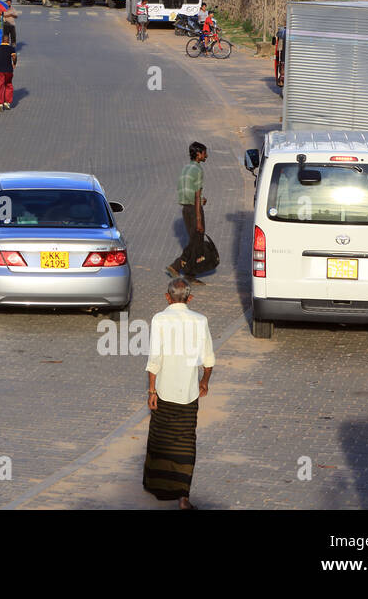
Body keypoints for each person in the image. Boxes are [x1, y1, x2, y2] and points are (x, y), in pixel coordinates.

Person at [143, 278, 216, 509]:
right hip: (189, 393)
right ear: (190, 298)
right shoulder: (200, 320)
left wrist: (152, 390)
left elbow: (155, 358)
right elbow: (208, 359)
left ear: (167, 297)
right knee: (186, 442)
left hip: (164, 391)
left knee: (161, 439)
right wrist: (204, 382)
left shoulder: (160, 319)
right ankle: (183, 496)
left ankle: (159, 487)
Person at [165, 141, 207, 283]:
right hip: (194, 209)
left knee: (195, 241)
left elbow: (189, 192)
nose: (206, 155)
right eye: (204, 153)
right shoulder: (198, 170)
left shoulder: (186, 168)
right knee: (197, 240)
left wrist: (201, 199)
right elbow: (196, 195)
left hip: (185, 209)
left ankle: (189, 274)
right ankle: (176, 266)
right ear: (198, 154)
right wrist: (199, 219)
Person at [0, 32, 18, 112]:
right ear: (8, 41)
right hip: (8, 70)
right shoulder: (11, 48)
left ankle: (0, 103)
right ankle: (7, 102)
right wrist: (14, 63)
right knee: (8, 85)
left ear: (2, 40)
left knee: (0, 86)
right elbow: (14, 56)